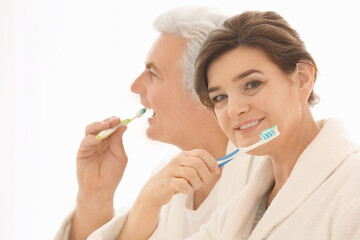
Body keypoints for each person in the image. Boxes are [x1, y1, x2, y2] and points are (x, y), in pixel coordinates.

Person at [143, 10, 360, 239]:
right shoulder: (237, 212)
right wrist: (149, 199)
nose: (234, 109)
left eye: (252, 84)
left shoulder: (352, 186)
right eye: (220, 97)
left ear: (303, 78)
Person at [54, 7, 263, 240]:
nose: (134, 86)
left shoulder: (262, 175)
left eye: (153, 73)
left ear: (206, 91)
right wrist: (95, 195)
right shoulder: (167, 178)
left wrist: (148, 201)